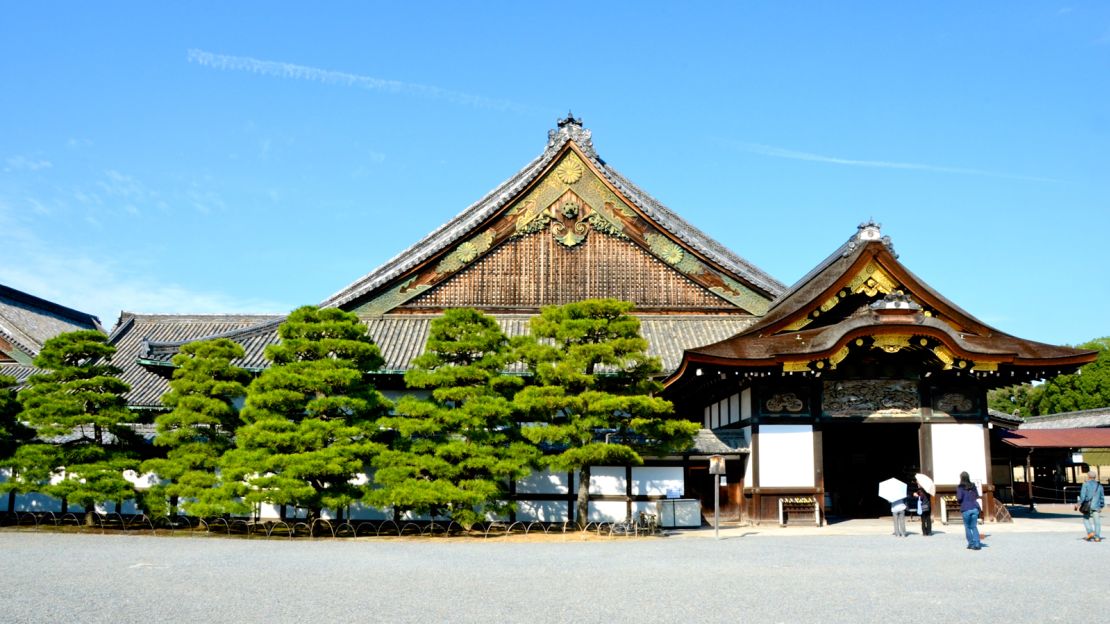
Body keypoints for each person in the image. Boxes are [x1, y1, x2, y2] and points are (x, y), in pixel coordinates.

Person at [1076, 469, 1105, 542]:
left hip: (1087, 506)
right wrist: (1101, 506)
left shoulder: (1085, 484)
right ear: (1095, 477)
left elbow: (1083, 496)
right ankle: (1097, 537)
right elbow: (1102, 497)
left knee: (1086, 519)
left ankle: (1090, 532)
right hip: (1096, 506)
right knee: (1097, 522)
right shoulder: (1099, 485)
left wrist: (1078, 504)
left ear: (1088, 477)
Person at [956, 471, 981, 550]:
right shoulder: (973, 486)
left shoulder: (960, 487)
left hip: (966, 508)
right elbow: (976, 496)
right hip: (974, 507)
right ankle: (977, 543)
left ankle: (971, 543)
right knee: (974, 526)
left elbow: (959, 498)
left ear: (961, 478)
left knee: (967, 527)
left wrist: (960, 501)